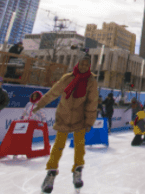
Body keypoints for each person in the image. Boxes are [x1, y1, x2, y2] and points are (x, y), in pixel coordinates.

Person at [33, 55, 98, 193]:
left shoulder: (91, 81)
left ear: (89, 66)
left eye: (86, 65)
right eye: (82, 64)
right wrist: (40, 104)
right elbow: (53, 93)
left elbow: (92, 102)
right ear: (78, 64)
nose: (83, 67)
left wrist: (89, 121)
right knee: (58, 145)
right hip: (64, 115)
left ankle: (77, 170)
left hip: (80, 118)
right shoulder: (67, 78)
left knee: (79, 146)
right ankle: (51, 173)